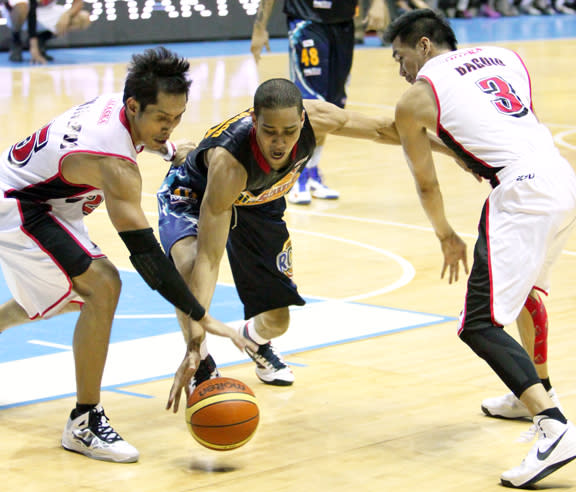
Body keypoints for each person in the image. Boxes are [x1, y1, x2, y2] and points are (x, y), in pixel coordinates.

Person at [0, 46, 253, 463]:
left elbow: (136, 134)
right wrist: (199, 314)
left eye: (176, 118)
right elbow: (148, 258)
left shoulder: (114, 105)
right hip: (21, 205)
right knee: (103, 285)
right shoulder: (113, 164)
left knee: (66, 298)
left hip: (48, 198)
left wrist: (169, 149)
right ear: (134, 105)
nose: (169, 127)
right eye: (161, 119)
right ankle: (84, 422)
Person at [157, 78, 454, 408]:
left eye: (289, 131)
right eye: (269, 131)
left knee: (277, 321)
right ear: (254, 121)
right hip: (194, 195)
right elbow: (210, 261)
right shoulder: (230, 163)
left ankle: (255, 341)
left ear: (303, 120)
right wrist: (196, 343)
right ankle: (202, 363)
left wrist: (452, 149)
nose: (279, 143)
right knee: (189, 267)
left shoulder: (319, 117)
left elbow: (385, 129)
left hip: (260, 203)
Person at [383, 9, 576, 488]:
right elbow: (501, 123)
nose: (401, 68)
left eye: (400, 56)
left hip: (520, 193)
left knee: (479, 323)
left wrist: (446, 233)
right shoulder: (505, 56)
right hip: (561, 178)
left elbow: (426, 185)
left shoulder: (416, 98)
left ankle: (553, 427)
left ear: (423, 45)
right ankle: (529, 391)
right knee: (526, 293)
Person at [250, 0, 387, 205]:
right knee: (312, 102)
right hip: (306, 22)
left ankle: (312, 169)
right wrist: (259, 28)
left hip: (343, 22)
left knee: (332, 108)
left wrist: (378, 3)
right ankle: (296, 173)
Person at [1, 0, 90, 63]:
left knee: (83, 18)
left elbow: (78, 2)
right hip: (20, 9)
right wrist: (33, 47)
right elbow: (32, 10)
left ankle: (41, 40)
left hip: (45, 11)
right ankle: (16, 40)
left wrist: (68, 15)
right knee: (21, 7)